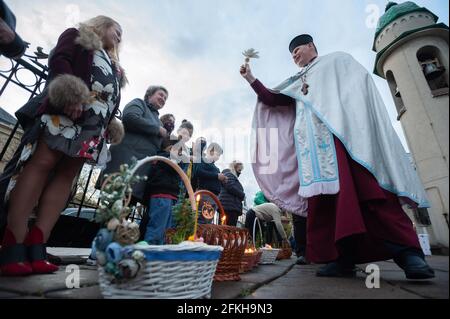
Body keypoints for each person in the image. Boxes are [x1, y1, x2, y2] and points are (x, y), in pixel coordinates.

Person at [242, 34, 434, 279]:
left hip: (346, 144)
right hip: (312, 156)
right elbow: (272, 98)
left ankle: (409, 255)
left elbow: (359, 95)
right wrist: (250, 78)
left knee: (370, 195)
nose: (294, 56)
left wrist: (354, 128)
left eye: (297, 49)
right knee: (327, 207)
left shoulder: (336, 62)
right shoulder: (297, 80)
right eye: (291, 54)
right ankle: (343, 259)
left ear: (311, 46)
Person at [0, 16, 126, 276]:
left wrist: (111, 122)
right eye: (117, 30)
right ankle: (14, 241)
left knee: (68, 176)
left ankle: (38, 243)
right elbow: (60, 61)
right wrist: (70, 94)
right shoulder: (77, 35)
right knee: (41, 164)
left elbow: (111, 97)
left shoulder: (115, 65)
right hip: (68, 110)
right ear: (102, 25)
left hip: (94, 125)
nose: (119, 37)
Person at [100, 85, 169, 204]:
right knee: (112, 211)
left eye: (165, 98)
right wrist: (157, 129)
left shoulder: (158, 120)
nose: (163, 98)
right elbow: (130, 117)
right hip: (123, 165)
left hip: (140, 173)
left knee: (124, 213)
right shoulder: (139, 103)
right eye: (160, 95)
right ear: (150, 94)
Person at [194, 142, 227, 224]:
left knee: (208, 220)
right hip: (206, 195)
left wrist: (222, 180)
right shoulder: (202, 160)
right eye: (217, 154)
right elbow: (198, 172)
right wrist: (217, 176)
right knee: (203, 219)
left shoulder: (215, 167)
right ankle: (198, 236)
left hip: (214, 196)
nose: (218, 157)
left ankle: (203, 236)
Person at [219, 161, 245, 227]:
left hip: (229, 206)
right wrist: (242, 195)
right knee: (228, 228)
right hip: (229, 207)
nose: (240, 172)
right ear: (234, 168)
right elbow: (230, 186)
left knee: (227, 227)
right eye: (239, 170)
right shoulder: (229, 175)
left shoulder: (229, 175)